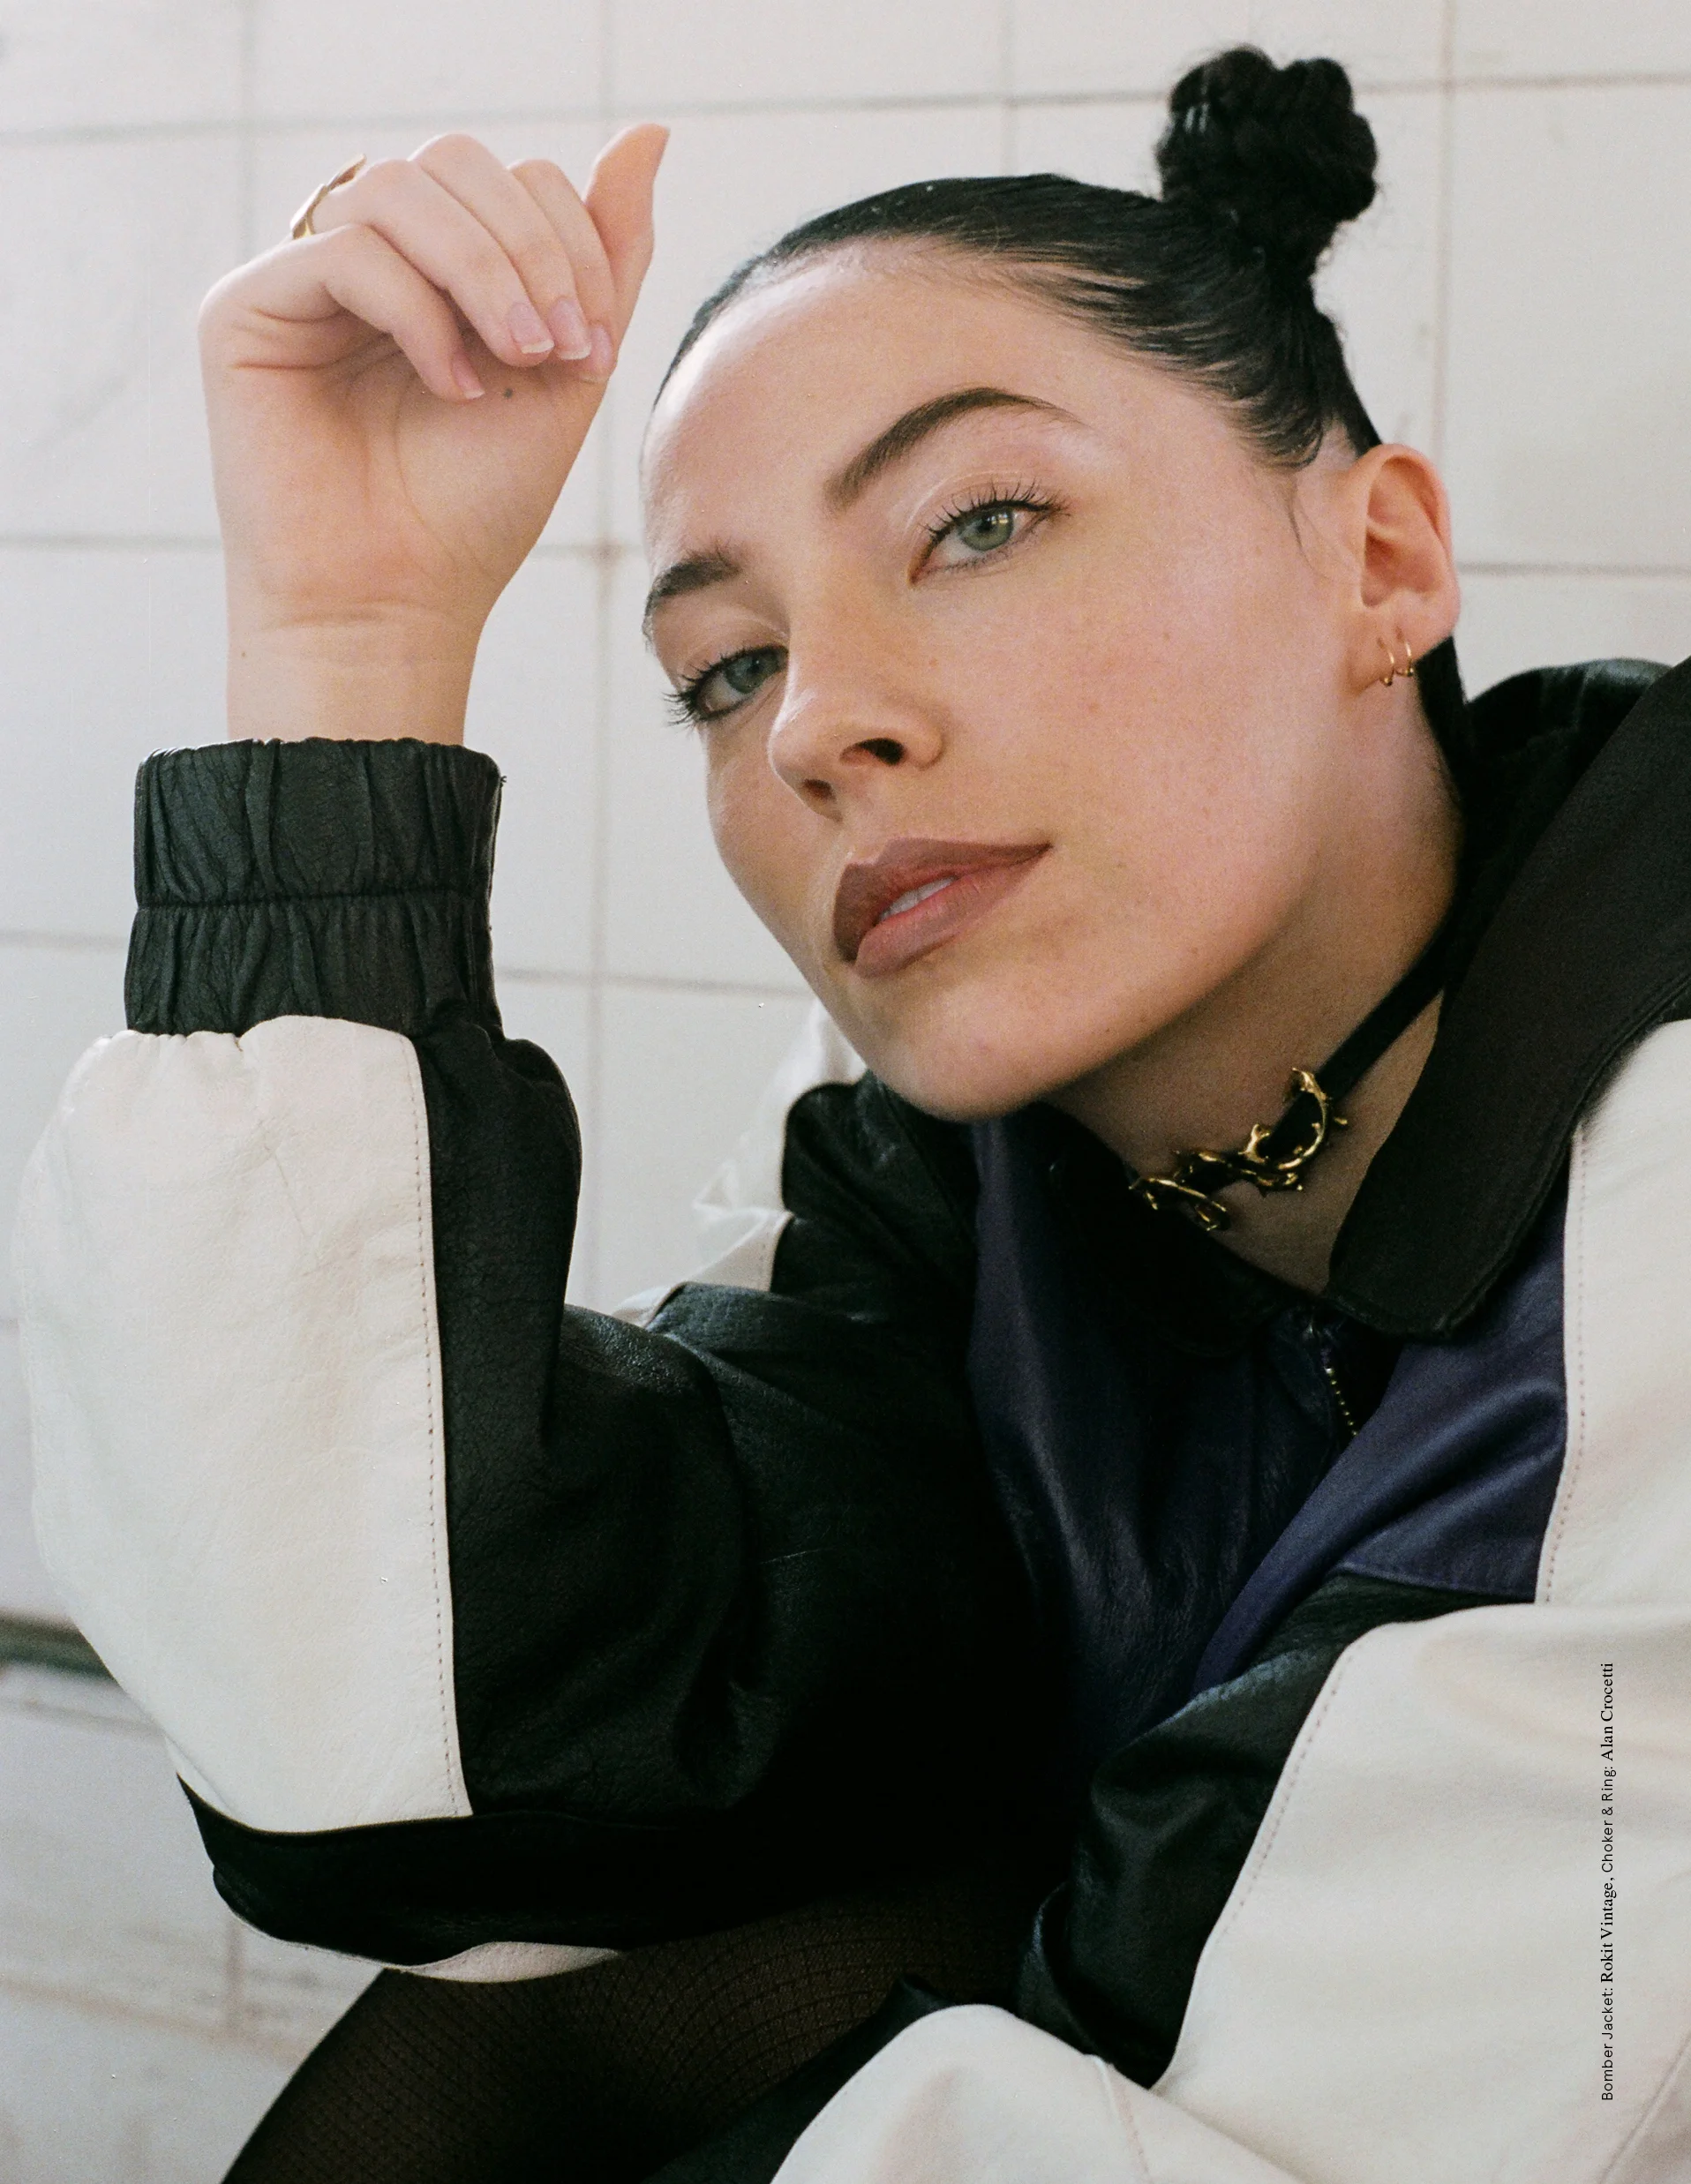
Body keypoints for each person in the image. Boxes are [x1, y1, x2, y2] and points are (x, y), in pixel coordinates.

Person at [16, 44, 1691, 2184]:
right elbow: (420, 1748)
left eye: (978, 523)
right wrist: (346, 641)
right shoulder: (942, 1163)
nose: (813, 723)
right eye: (725, 668)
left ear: (1378, 560)